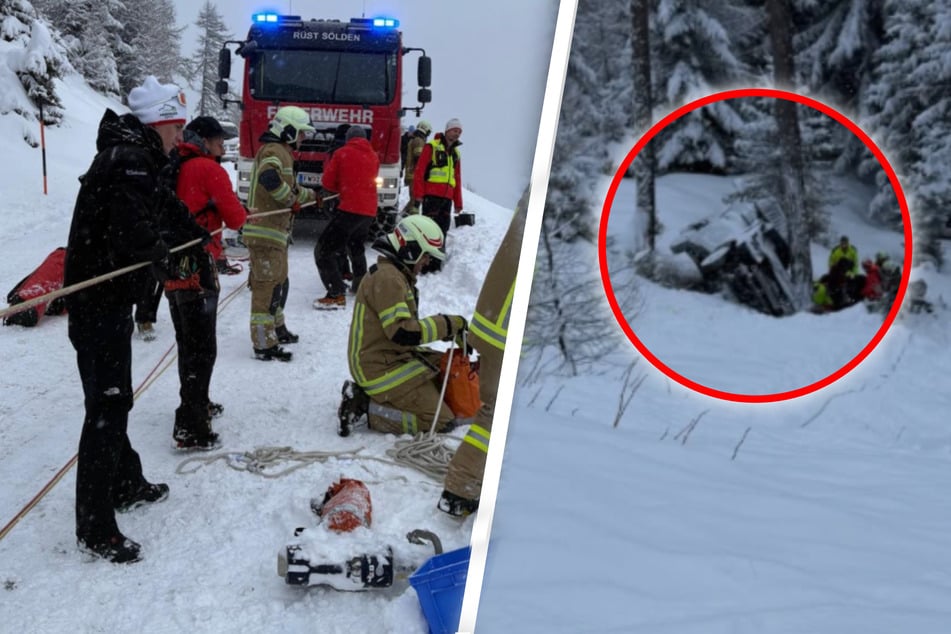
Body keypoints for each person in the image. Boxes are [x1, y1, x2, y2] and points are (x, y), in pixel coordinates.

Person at [64, 75, 205, 563]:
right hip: (97, 302)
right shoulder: (129, 161)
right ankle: (95, 526)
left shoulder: (138, 157)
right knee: (107, 406)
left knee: (115, 396)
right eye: (177, 126)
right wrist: (165, 256)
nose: (180, 137)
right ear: (159, 122)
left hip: (110, 300)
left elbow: (162, 208)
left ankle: (126, 482)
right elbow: (133, 231)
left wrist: (197, 234)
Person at [439, 191, 527, 517]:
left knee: (495, 415)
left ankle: (466, 485)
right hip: (507, 336)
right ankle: (461, 489)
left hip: (494, 325)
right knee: (499, 417)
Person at [338, 215, 469, 435]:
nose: (427, 262)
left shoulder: (394, 274)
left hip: (392, 357)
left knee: (448, 374)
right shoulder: (389, 279)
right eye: (425, 256)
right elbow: (402, 332)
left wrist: (449, 329)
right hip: (379, 368)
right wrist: (447, 325)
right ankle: (366, 405)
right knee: (440, 421)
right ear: (411, 249)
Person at [164, 116, 248, 449]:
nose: (222, 146)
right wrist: (237, 209)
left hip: (173, 266)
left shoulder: (175, 166)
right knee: (203, 350)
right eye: (218, 140)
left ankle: (198, 402)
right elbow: (236, 218)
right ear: (205, 140)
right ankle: (191, 426)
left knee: (187, 344)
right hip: (199, 265)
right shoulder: (209, 169)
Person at [243, 105, 317, 362]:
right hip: (264, 233)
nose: (303, 139)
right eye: (301, 134)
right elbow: (269, 178)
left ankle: (277, 328)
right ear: (288, 130)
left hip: (276, 235)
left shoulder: (283, 153)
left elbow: (291, 188)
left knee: (279, 282)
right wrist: (289, 200)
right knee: (266, 288)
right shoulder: (275, 151)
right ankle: (264, 344)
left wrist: (314, 197)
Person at [313, 125, 380, 309]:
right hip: (368, 212)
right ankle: (360, 286)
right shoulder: (373, 156)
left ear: (349, 138)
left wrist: (338, 190)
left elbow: (327, 182)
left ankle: (336, 294)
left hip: (349, 209)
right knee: (356, 246)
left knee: (324, 250)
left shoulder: (342, 153)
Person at [412, 118, 464, 272]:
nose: (457, 134)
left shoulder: (456, 153)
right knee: (428, 230)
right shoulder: (431, 147)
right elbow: (420, 171)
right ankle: (423, 264)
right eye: (455, 130)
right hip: (431, 197)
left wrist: (458, 203)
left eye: (459, 132)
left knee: (442, 231)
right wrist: (418, 194)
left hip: (447, 199)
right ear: (447, 130)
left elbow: (457, 179)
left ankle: (435, 264)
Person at [401, 120, 431, 216]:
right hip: (415, 174)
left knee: (414, 199)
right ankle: (404, 216)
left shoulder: (414, 139)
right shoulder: (419, 140)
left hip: (412, 173)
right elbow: (419, 157)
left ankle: (404, 215)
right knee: (414, 199)